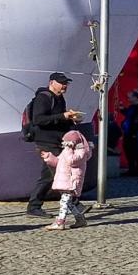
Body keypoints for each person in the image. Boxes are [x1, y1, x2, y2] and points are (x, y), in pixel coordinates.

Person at [26, 72, 81, 217]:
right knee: (57, 173)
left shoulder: (60, 98)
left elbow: (58, 119)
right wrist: (62, 116)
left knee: (50, 176)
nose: (65, 86)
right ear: (51, 83)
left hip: (57, 141)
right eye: (62, 83)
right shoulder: (43, 98)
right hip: (45, 141)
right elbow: (39, 119)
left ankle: (34, 206)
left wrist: (71, 120)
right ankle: (76, 205)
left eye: (66, 83)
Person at [40, 130, 94, 230]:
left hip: (72, 181)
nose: (65, 145)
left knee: (64, 201)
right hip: (65, 180)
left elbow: (72, 161)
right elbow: (58, 162)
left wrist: (68, 150)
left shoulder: (81, 152)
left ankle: (60, 222)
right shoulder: (67, 150)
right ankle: (80, 219)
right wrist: (49, 157)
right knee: (69, 203)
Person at [120, 90, 138, 177]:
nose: (128, 99)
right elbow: (128, 115)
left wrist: (135, 131)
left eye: (130, 97)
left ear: (135, 97)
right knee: (128, 151)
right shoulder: (131, 107)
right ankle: (131, 169)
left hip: (134, 133)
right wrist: (122, 110)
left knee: (135, 152)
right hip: (128, 132)